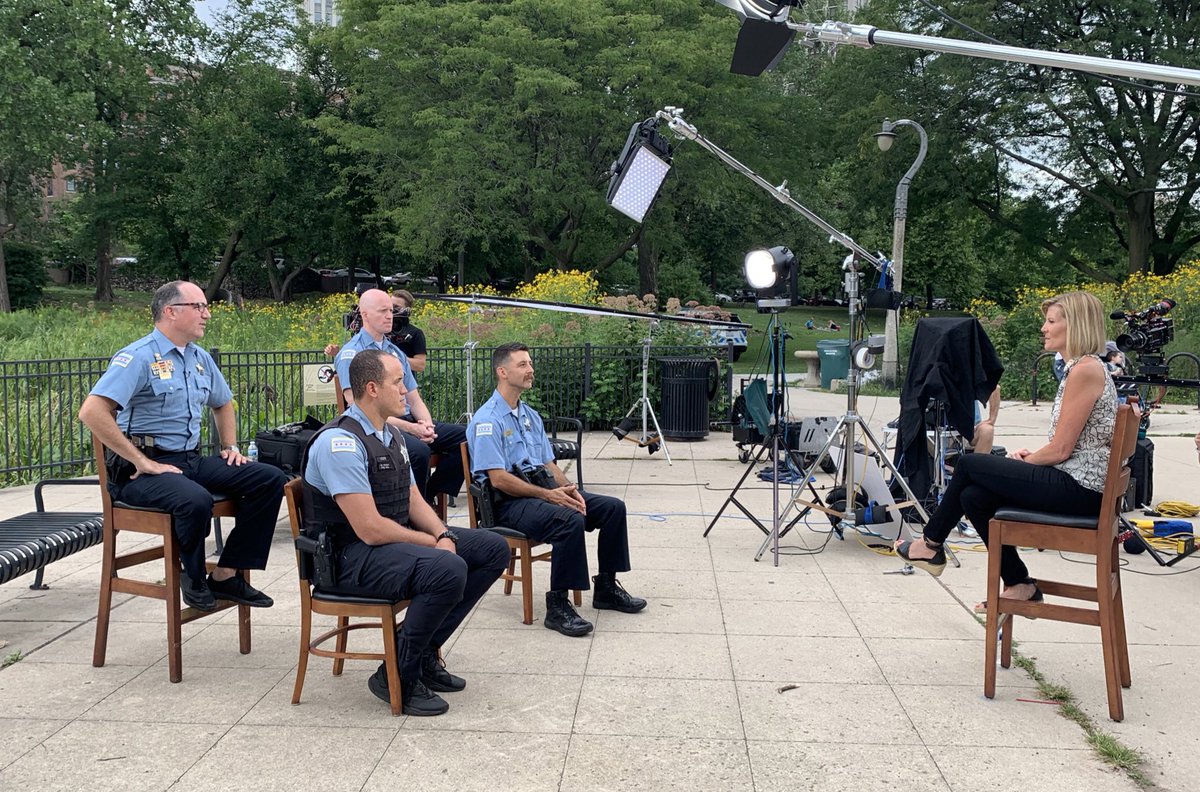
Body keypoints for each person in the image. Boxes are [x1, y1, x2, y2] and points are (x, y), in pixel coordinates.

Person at [302, 349, 509, 715]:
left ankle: (423, 651)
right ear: (372, 389)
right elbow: (369, 529)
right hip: (348, 558)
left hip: (386, 545)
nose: (406, 390)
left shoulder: (389, 434)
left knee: (492, 548)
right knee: (447, 569)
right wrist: (435, 544)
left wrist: (444, 534)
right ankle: (398, 673)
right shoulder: (341, 443)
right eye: (398, 382)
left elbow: (413, 500)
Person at [895, 291, 1118, 609]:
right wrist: (1032, 459)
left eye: (1051, 321)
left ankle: (930, 543)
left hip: (1081, 489)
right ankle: (1018, 582)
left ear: (1076, 326)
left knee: (971, 465)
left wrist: (1030, 459)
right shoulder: (1084, 369)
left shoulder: (1085, 371)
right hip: (1076, 480)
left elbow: (1061, 450)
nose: (1043, 327)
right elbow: (1068, 447)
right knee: (973, 496)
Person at [79, 281, 287, 612]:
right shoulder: (139, 356)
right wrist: (142, 461)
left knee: (271, 478)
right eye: (199, 307)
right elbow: (92, 412)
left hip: (187, 461)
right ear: (170, 312)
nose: (206, 314)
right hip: (140, 473)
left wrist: (230, 445)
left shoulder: (198, 357)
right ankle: (192, 576)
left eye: (206, 307)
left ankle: (226, 573)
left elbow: (223, 403)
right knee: (195, 500)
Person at [467, 342, 646, 637]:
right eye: (522, 364)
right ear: (502, 372)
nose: (530, 369)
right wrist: (549, 496)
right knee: (568, 520)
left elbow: (548, 465)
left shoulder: (529, 415)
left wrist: (570, 490)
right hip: (508, 504)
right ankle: (558, 606)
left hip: (542, 492)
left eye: (530, 363)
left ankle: (606, 588)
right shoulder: (487, 421)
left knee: (612, 508)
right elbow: (498, 479)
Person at [334, 289, 466, 502]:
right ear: (365, 314)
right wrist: (412, 429)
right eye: (383, 311)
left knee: (466, 437)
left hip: (407, 419)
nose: (390, 316)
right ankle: (415, 514)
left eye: (391, 310)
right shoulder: (352, 354)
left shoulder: (395, 352)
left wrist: (426, 426)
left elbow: (414, 398)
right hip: (379, 426)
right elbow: (357, 408)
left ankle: (429, 495)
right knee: (418, 451)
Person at [325, 289, 428, 373]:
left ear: (407, 310)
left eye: (396, 308)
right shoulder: (378, 329)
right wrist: (340, 353)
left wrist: (394, 357)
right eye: (389, 307)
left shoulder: (415, 333)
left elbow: (420, 365)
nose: (391, 313)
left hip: (402, 383)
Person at [971, 386, 1002, 455]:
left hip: (969, 431)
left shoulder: (968, 377)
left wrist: (992, 419)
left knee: (987, 430)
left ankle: (978, 464)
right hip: (945, 430)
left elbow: (995, 387)